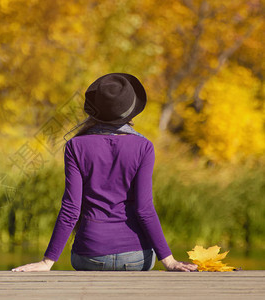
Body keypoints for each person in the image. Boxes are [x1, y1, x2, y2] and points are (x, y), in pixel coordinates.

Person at [12, 73, 198, 272]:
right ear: (130, 111)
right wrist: (169, 261)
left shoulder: (75, 146)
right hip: (136, 257)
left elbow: (71, 208)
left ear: (96, 110)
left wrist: (47, 261)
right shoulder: (143, 147)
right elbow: (144, 209)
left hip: (89, 256)